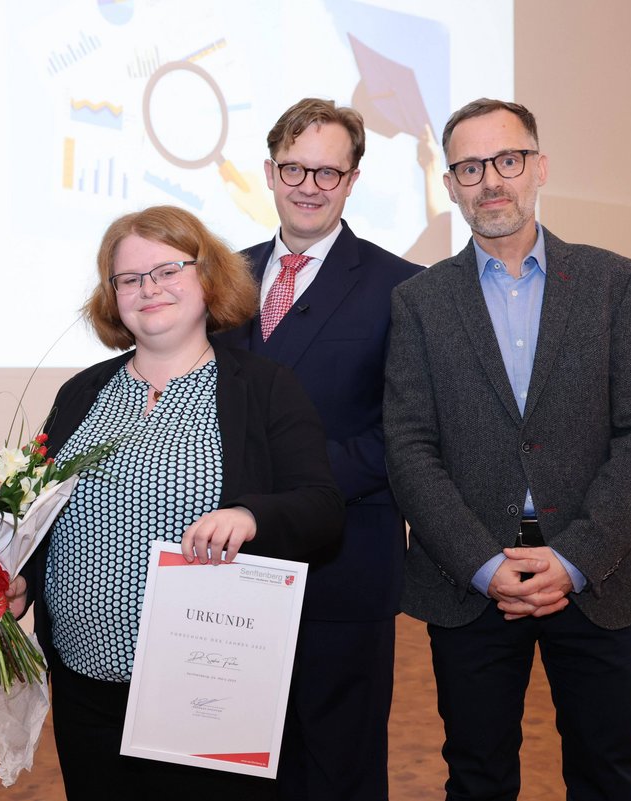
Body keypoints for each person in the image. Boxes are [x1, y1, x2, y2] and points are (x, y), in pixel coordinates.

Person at [0, 205, 344, 800]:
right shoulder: (81, 394)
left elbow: (323, 508)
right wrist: (23, 585)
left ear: (209, 278)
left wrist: (250, 516)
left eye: (169, 269)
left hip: (201, 688)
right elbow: (46, 521)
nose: (150, 288)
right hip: (84, 684)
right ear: (112, 295)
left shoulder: (265, 388)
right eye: (129, 278)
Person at [383, 98, 631, 801]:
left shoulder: (614, 282)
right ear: (449, 184)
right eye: (471, 167)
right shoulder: (418, 302)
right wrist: (482, 564)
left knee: (608, 777)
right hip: (470, 585)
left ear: (538, 167)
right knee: (477, 779)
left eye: (507, 160)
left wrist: (574, 560)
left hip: (599, 575)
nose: (492, 181)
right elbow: (409, 446)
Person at [216, 97, 422, 801]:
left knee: (342, 769)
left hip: (344, 568)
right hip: (231, 571)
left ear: (353, 179)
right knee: (244, 764)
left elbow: (406, 433)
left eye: (328, 172)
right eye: (295, 168)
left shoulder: (403, 288)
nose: (309, 185)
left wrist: (284, 493)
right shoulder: (224, 280)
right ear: (270, 172)